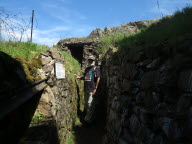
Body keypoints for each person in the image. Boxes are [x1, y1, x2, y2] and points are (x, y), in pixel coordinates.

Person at [75, 56, 101, 124]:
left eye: (92, 60)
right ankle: (89, 117)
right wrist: (79, 77)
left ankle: (87, 120)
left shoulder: (96, 68)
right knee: (86, 104)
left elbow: (98, 78)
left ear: (94, 61)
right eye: (89, 60)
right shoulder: (87, 69)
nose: (90, 61)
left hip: (92, 89)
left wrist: (96, 88)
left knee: (90, 104)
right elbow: (87, 78)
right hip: (86, 88)